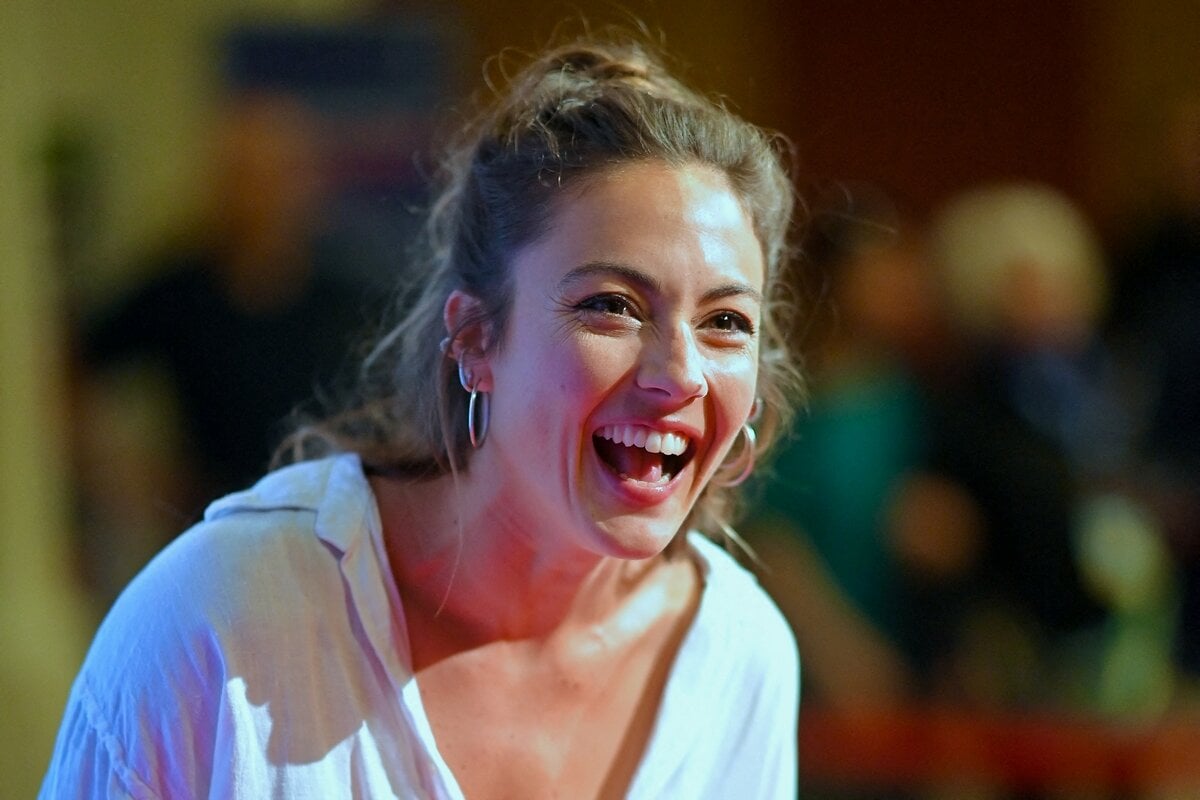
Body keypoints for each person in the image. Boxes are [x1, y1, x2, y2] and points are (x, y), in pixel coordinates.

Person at [42, 30, 804, 799]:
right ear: (475, 338)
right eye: (612, 305)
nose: (680, 375)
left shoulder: (740, 659)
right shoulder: (218, 621)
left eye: (725, 321)